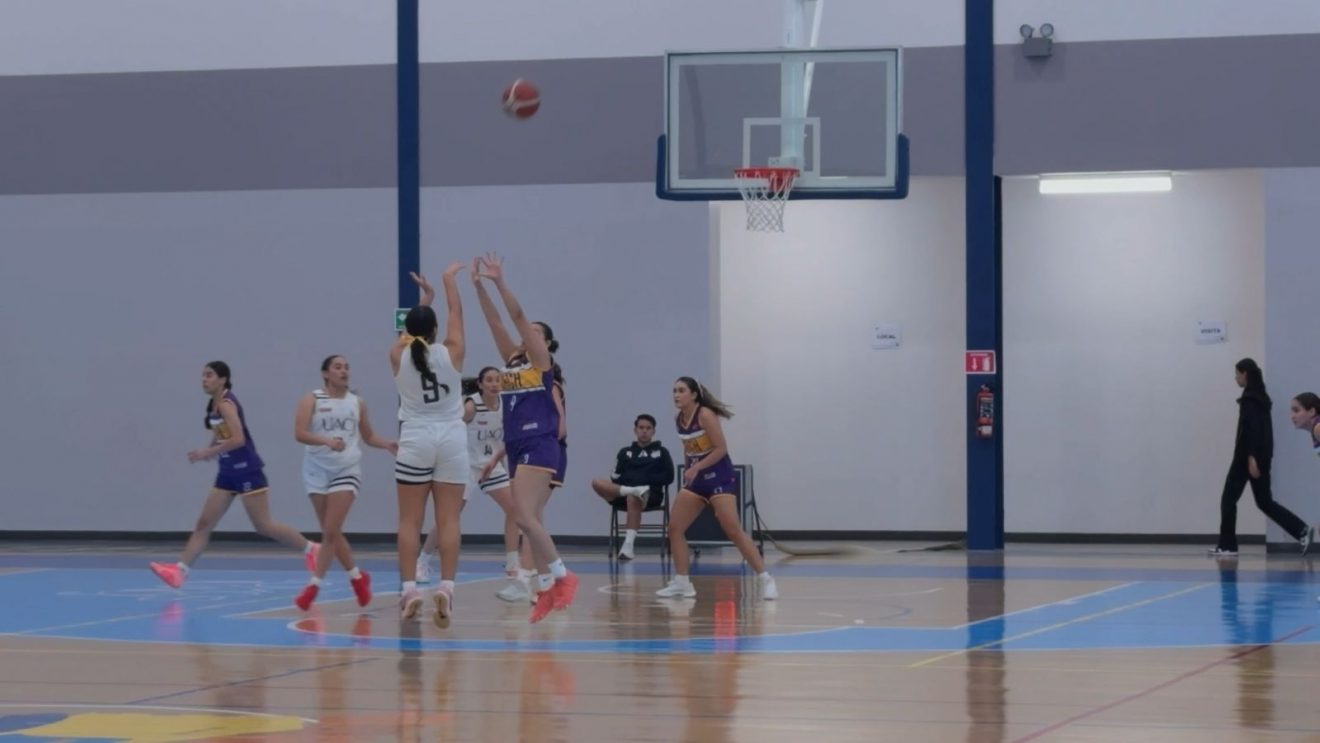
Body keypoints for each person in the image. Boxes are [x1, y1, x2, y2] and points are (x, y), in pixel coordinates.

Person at [472, 252, 578, 623]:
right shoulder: (511, 361)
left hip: (539, 442)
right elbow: (495, 321)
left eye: (534, 332)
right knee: (527, 518)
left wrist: (499, 281)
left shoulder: (541, 364)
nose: (525, 333)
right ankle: (547, 584)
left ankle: (561, 577)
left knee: (524, 516)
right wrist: (477, 286)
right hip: (516, 445)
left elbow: (515, 315)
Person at [149, 361, 319, 588]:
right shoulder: (214, 405)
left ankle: (311, 549)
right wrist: (208, 450)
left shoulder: (227, 404)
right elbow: (222, 433)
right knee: (203, 524)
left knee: (263, 525)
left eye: (209, 375)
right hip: (227, 473)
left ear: (222, 380)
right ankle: (179, 571)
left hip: (247, 470)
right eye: (203, 375)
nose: (204, 379)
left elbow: (238, 439)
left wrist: (209, 452)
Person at [392, 266, 467, 625]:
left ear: (408, 331)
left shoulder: (397, 355)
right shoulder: (453, 352)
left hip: (415, 437)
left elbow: (407, 335)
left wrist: (424, 299)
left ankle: (410, 590)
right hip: (451, 437)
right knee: (448, 519)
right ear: (436, 329)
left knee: (410, 520)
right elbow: (456, 312)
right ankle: (447, 588)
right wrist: (448, 282)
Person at [656, 377, 777, 600]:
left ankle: (765, 579)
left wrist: (697, 467)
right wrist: (689, 468)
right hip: (697, 481)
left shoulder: (705, 415)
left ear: (694, 395)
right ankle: (682, 582)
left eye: (681, 390)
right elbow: (689, 448)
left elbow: (721, 449)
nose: (676, 395)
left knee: (733, 530)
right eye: (674, 391)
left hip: (719, 478)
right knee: (674, 528)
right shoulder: (679, 419)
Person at [292, 354, 397, 611]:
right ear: (325, 373)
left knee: (330, 531)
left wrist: (386, 444)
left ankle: (314, 586)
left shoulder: (356, 402)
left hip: (346, 468)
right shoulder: (312, 399)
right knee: (332, 531)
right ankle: (357, 578)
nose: (344, 371)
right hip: (316, 469)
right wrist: (326, 441)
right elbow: (300, 433)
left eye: (346, 367)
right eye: (337, 367)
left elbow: (368, 436)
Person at [1209, 358, 1313, 557]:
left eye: (1237, 374)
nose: (1235, 378)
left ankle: (1228, 546)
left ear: (1245, 374)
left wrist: (1251, 458)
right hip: (1259, 457)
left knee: (1228, 500)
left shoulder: (1250, 399)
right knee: (1264, 502)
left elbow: (1252, 430)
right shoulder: (1260, 397)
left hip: (1246, 458)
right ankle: (1301, 530)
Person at [591, 414, 675, 560]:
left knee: (633, 497)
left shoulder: (662, 452)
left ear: (653, 431)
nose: (644, 431)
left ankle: (628, 546)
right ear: (635, 430)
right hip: (623, 492)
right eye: (641, 428)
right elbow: (615, 478)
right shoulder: (625, 452)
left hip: (650, 495)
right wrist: (623, 479)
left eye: (648, 428)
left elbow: (669, 477)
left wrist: (644, 480)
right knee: (596, 482)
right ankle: (634, 490)